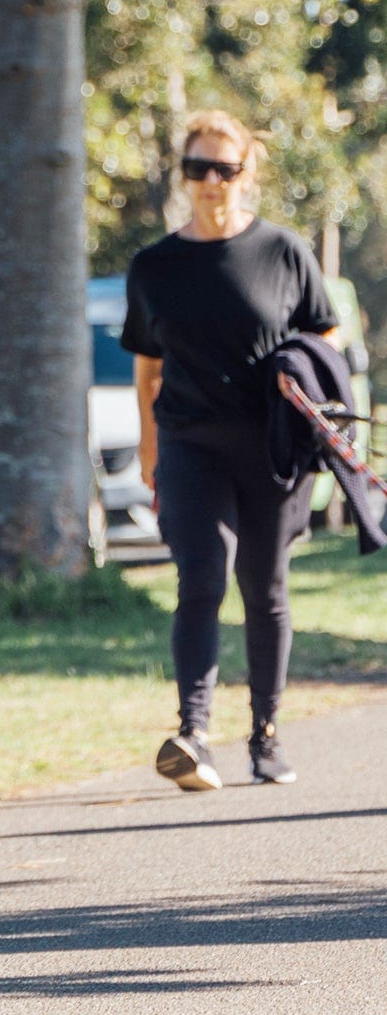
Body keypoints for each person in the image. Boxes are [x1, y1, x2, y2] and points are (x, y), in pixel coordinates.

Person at [122, 110, 339, 793]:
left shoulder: (282, 252)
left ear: (247, 172)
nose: (211, 181)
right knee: (202, 577)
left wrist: (297, 367)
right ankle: (192, 735)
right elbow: (147, 370)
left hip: (271, 443)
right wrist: (150, 452)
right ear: (182, 174)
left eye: (225, 168)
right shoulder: (154, 267)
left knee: (264, 588)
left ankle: (266, 736)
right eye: (197, 168)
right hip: (189, 441)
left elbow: (325, 338)